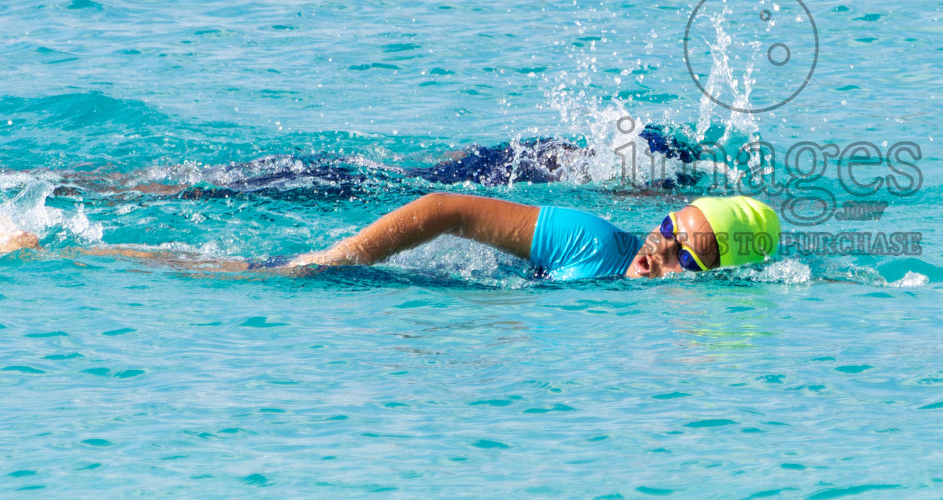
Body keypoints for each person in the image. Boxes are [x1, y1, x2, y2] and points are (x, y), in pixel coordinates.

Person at [287, 193, 781, 280]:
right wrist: (342, 258)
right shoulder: (591, 241)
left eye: (687, 259)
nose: (656, 254)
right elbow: (446, 209)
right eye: (668, 230)